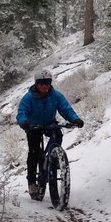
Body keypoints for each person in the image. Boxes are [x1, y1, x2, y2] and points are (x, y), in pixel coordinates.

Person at [17, 67, 84, 199]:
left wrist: (75, 119)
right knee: (34, 153)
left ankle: (53, 158)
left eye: (48, 83)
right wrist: (24, 122)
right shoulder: (28, 97)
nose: (45, 86)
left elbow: (65, 109)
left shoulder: (56, 95)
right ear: (36, 84)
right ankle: (32, 182)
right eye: (42, 83)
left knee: (57, 135)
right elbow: (22, 112)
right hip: (33, 126)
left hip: (49, 123)